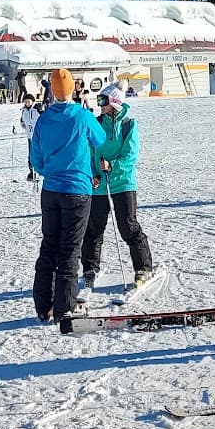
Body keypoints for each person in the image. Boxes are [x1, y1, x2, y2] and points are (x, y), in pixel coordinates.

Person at [29, 69, 106, 323]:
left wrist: (51, 170)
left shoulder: (43, 119)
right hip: (77, 190)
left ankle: (44, 305)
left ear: (51, 90)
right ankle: (65, 306)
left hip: (51, 189)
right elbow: (101, 138)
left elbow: (36, 159)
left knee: (49, 244)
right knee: (70, 249)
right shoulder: (82, 116)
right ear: (72, 89)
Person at [80, 84, 155, 290]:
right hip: (99, 184)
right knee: (94, 228)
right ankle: (89, 269)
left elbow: (130, 156)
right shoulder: (96, 123)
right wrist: (92, 173)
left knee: (128, 226)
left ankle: (144, 267)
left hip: (122, 183)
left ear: (114, 103)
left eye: (103, 101)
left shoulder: (128, 125)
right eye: (98, 101)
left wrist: (112, 166)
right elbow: (88, 152)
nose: (100, 105)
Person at [19, 92, 39, 181]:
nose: (27, 103)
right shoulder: (24, 111)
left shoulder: (36, 109)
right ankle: (31, 171)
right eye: (25, 102)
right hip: (29, 136)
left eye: (28, 101)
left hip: (38, 136)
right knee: (31, 154)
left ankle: (39, 170)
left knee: (39, 153)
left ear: (32, 102)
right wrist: (24, 125)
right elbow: (22, 122)